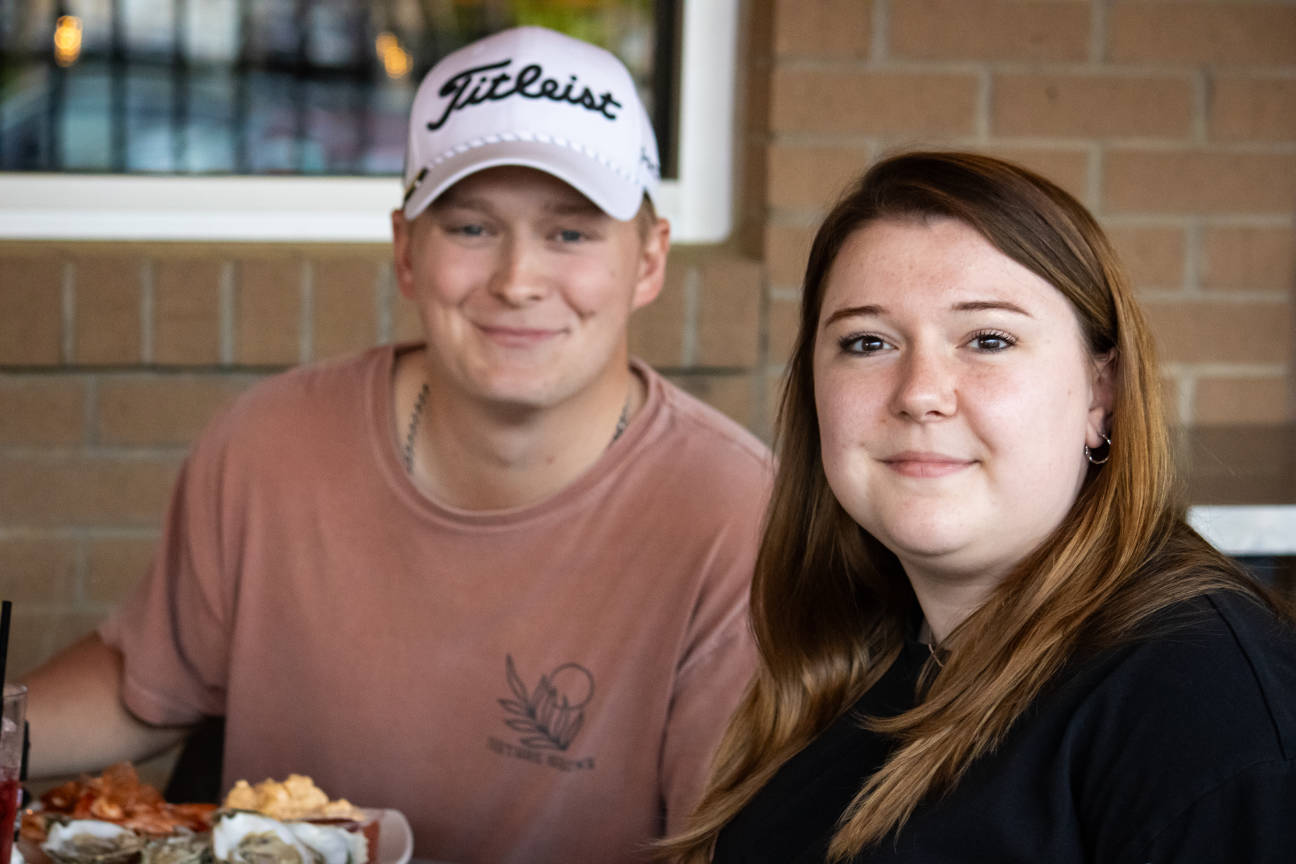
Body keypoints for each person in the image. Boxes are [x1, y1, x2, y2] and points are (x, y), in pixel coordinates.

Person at [22, 26, 771, 864]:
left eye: (571, 233)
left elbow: (723, 846)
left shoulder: (736, 519)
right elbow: (147, 685)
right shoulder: (270, 444)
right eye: (471, 228)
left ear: (648, 261)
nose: (518, 279)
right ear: (406, 252)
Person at [663, 151, 1296, 863]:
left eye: (988, 339)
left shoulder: (1200, 704)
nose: (919, 391)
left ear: (1100, 392)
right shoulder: (857, 648)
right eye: (867, 342)